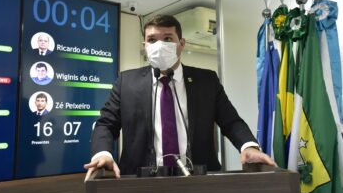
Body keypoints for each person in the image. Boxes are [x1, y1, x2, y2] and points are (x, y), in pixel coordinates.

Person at [84, 15, 275, 180]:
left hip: (199, 180)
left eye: (167, 38)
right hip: (140, 182)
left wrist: (248, 146)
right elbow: (106, 124)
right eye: (151, 40)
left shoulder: (206, 80)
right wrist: (103, 153)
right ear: (144, 45)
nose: (159, 45)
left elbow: (231, 121)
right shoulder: (126, 81)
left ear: (181, 44)